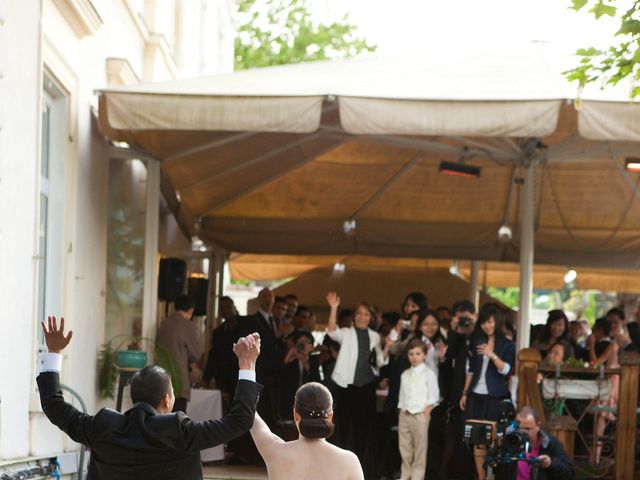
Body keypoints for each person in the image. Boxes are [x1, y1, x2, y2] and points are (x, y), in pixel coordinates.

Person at [37, 316, 262, 480]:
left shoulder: (102, 427)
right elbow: (240, 420)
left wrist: (54, 352)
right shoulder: (180, 432)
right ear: (167, 400)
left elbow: (53, 405)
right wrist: (247, 365)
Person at [326, 291, 391, 477]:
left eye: (366, 314)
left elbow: (380, 360)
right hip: (347, 385)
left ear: (371, 318)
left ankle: (362, 469)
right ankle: (341, 468)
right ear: (355, 316)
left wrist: (389, 345)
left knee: (365, 428)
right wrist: (333, 308)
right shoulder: (346, 333)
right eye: (359, 313)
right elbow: (331, 331)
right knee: (344, 426)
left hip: (367, 384)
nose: (362, 317)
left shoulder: (375, 336)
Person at [250, 382, 364, 480]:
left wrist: (247, 363)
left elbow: (247, 409)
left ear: (295, 415)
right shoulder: (349, 461)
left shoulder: (275, 451)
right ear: (330, 416)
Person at [461, 303, 516, 480]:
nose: (487, 326)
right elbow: (470, 370)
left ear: (497, 321)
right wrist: (464, 393)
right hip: (475, 395)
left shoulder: (507, 344)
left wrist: (492, 354)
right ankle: (481, 477)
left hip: (495, 397)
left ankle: (492, 476)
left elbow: (506, 370)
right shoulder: (476, 342)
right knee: (477, 441)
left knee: (493, 440)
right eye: (484, 322)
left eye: (490, 322)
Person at [397, 340, 439, 480]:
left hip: (420, 414)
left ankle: (417, 477)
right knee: (405, 448)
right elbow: (402, 396)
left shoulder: (429, 374)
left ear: (425, 355)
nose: (414, 357)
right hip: (405, 414)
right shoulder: (405, 374)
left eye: (418, 353)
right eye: (411, 354)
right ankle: (405, 475)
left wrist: (426, 414)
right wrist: (402, 411)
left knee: (420, 449)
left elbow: (433, 396)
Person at [496, 406, 573, 480]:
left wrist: (551, 463)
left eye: (527, 429)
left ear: (538, 426)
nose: (522, 432)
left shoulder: (550, 444)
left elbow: (569, 472)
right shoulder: (508, 442)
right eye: (518, 428)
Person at [156, 294, 202, 413]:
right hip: (179, 380)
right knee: (177, 421)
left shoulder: (163, 323)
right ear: (191, 309)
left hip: (161, 377)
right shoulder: (188, 325)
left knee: (162, 419)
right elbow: (196, 355)